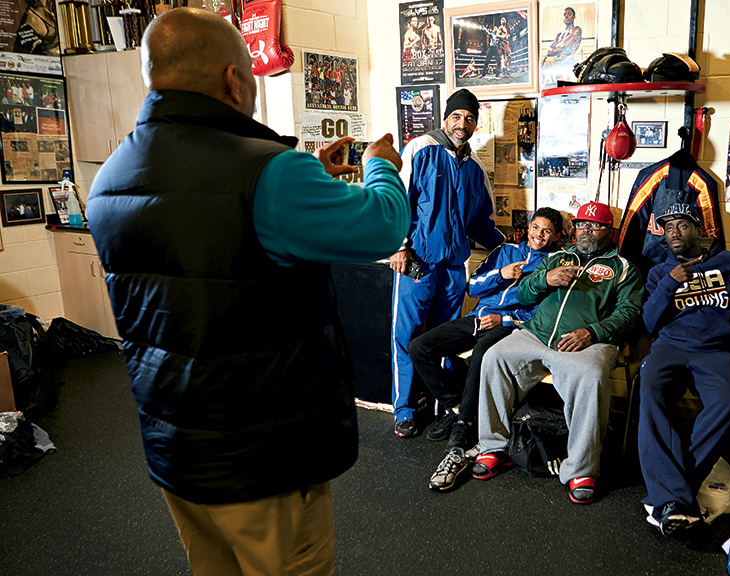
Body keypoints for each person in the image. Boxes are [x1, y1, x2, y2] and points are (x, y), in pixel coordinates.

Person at [85, 8, 410, 574]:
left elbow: (215, 240)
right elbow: (384, 224)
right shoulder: (269, 174)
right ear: (233, 80)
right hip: (262, 456)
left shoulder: (110, 177)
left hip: (176, 447)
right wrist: (379, 165)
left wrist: (308, 177)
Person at [471, 202, 643, 505]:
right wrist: (546, 279)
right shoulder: (556, 257)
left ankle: (581, 469)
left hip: (587, 342)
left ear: (611, 231)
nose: (586, 230)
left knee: (591, 376)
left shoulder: (624, 268)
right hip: (537, 334)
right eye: (581, 224)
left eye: (595, 226)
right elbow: (525, 292)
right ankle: (493, 446)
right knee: (494, 357)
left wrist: (592, 333)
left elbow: (629, 313)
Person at [390, 88, 505, 438]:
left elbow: (481, 221)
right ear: (445, 118)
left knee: (445, 339)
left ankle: (442, 405)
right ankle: (405, 409)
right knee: (406, 335)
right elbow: (397, 200)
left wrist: (510, 249)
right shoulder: (419, 149)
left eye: (469, 119)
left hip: (454, 268)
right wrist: (398, 246)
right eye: (456, 116)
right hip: (418, 263)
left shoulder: (474, 167)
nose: (462, 124)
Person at [638, 204, 730, 537]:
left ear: (700, 230)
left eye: (683, 225)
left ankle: (672, 497)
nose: (674, 232)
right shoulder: (659, 272)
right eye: (669, 228)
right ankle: (675, 496)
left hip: (717, 350)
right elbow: (649, 323)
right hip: (670, 347)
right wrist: (669, 284)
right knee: (650, 393)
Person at [412, 208, 564, 455]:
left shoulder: (552, 265)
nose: (539, 234)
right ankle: (454, 407)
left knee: (482, 354)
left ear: (556, 236)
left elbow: (540, 314)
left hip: (508, 326)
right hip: (477, 318)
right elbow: (472, 286)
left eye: (547, 231)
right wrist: (500, 275)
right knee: (419, 347)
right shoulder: (504, 251)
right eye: (535, 227)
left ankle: (465, 422)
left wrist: (503, 318)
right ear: (528, 227)